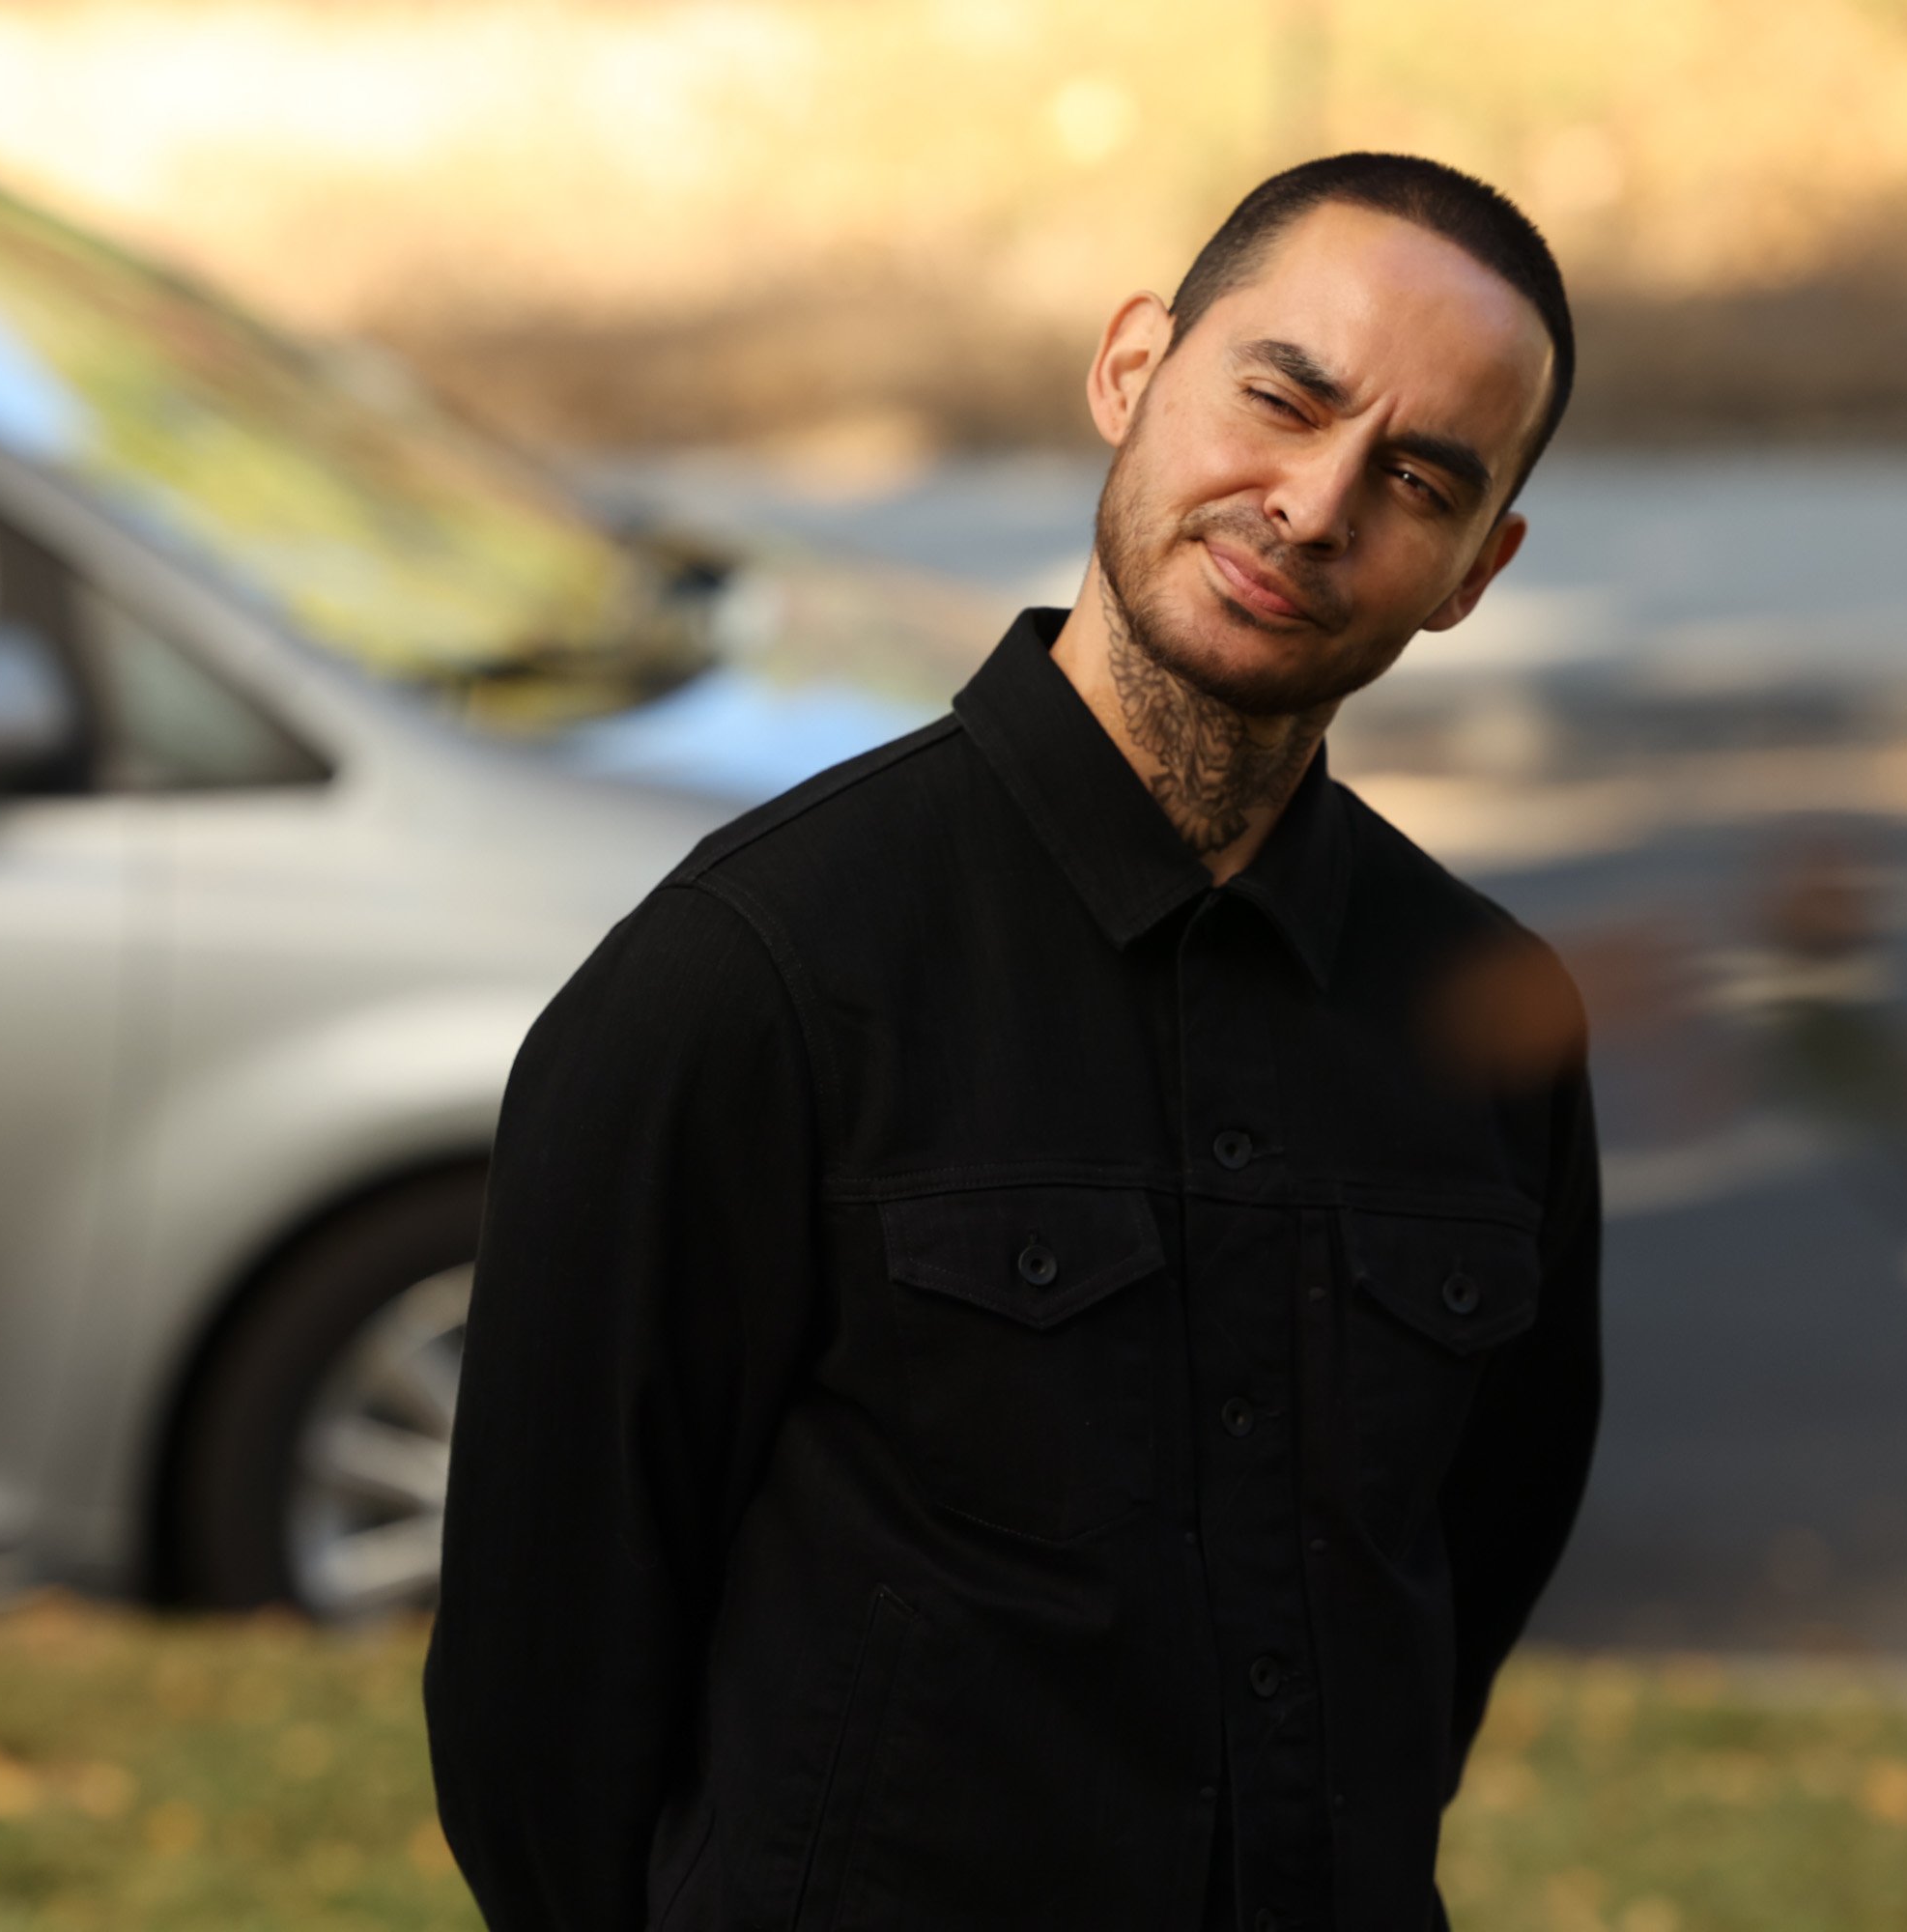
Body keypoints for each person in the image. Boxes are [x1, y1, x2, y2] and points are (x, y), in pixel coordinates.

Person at [425, 152, 1604, 1932]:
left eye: (1420, 478)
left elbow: (1461, 1582)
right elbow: (542, 1706)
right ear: (1132, 368)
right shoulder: (745, 977)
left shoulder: (1490, 1020)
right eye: (1282, 398)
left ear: (1475, 570)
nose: (1313, 504)